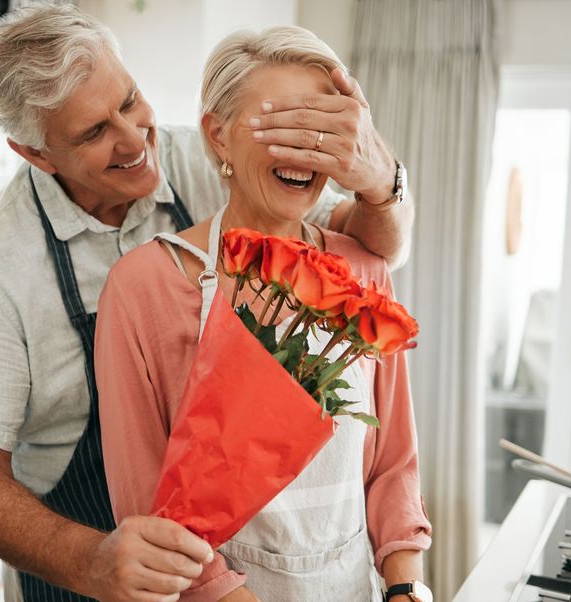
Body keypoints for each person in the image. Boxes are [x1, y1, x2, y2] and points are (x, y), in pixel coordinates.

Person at [0, 4, 414, 602]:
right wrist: (92, 562)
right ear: (37, 155)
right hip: (79, 558)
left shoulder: (205, 157)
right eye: (93, 133)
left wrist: (381, 175)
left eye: (129, 102)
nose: (134, 141)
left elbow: (370, 246)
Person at [95, 26, 432, 602]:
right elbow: (151, 510)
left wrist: (405, 591)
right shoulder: (143, 288)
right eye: (282, 126)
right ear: (218, 136)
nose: (303, 152)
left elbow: (393, 467)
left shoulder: (365, 271)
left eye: (320, 131)